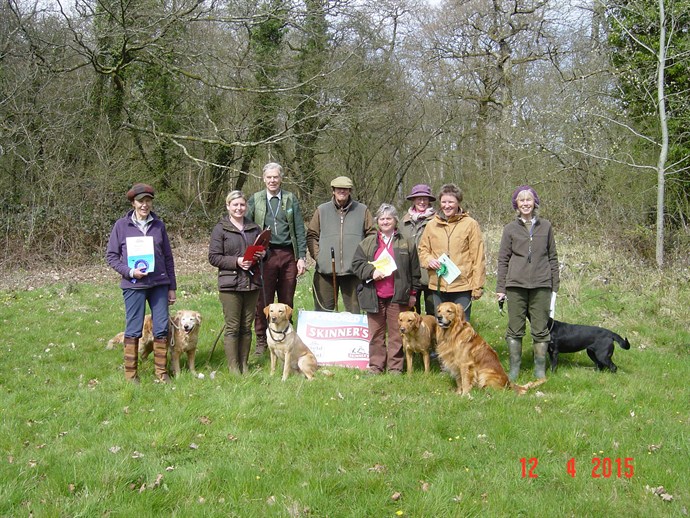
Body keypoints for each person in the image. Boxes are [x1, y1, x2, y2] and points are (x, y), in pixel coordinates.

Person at [106, 183, 177, 384]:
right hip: (133, 285)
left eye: (148, 201)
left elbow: (168, 258)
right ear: (133, 203)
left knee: (161, 327)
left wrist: (172, 287)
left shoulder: (159, 226)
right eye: (140, 201)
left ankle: (161, 374)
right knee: (134, 328)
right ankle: (131, 375)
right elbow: (111, 256)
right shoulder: (121, 226)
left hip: (159, 284)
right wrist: (129, 272)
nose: (144, 205)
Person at [496, 185, 559, 380]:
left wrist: (554, 286)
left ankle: (539, 368)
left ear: (535, 203)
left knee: (541, 329)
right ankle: (514, 368)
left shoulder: (546, 226)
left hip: (542, 285)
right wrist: (501, 288)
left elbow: (553, 257)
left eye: (528, 200)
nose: (525, 203)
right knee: (515, 329)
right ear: (516, 204)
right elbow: (503, 259)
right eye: (521, 200)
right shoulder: (510, 229)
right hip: (515, 286)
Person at [247, 162, 308, 355]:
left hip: (288, 254)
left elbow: (299, 228)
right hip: (265, 256)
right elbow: (248, 228)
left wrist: (301, 257)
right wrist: (251, 254)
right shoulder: (255, 199)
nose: (272, 181)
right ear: (263, 179)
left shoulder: (290, 199)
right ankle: (262, 341)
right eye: (269, 177)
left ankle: (286, 338)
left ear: (281, 178)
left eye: (276, 177)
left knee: (286, 300)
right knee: (263, 301)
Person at [352, 204, 420, 374]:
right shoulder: (367, 243)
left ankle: (395, 367)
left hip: (398, 296)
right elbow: (356, 265)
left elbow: (415, 271)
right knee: (376, 334)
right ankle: (376, 366)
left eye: (389, 218)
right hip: (374, 295)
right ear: (377, 221)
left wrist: (413, 294)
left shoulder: (407, 243)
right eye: (382, 218)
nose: (385, 221)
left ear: (395, 220)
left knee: (397, 334)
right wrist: (371, 272)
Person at [208, 190, 266, 374]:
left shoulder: (254, 227)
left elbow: (265, 250)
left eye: (242, 205)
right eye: (235, 205)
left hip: (252, 283)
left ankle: (244, 365)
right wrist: (237, 261)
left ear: (246, 207)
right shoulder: (221, 228)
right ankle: (234, 368)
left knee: (246, 326)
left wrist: (264, 254)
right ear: (228, 206)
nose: (239, 208)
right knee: (233, 327)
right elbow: (214, 257)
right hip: (230, 284)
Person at [417, 183, 486, 321]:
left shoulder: (470, 224)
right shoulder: (431, 225)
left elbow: (478, 257)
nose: (447, 206)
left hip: (462, 285)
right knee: (441, 326)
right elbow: (423, 249)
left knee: (461, 326)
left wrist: (477, 286)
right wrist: (428, 260)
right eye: (444, 202)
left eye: (451, 202)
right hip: (438, 285)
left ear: (458, 202)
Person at [307, 176, 374, 313]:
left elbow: (372, 235)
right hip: (325, 272)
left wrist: (364, 258)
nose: (342, 191)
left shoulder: (362, 210)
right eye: (339, 189)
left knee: (355, 313)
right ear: (333, 190)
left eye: (345, 189)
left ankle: (352, 335)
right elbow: (312, 235)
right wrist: (320, 257)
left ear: (350, 191)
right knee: (323, 312)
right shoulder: (322, 210)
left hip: (354, 272)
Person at [400, 184, 436, 316]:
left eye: (425, 199)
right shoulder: (403, 222)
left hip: (431, 273)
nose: (422, 202)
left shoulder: (437, 220)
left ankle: (433, 336)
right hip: (410, 274)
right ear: (413, 200)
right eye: (418, 199)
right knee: (411, 313)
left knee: (433, 313)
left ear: (429, 201)